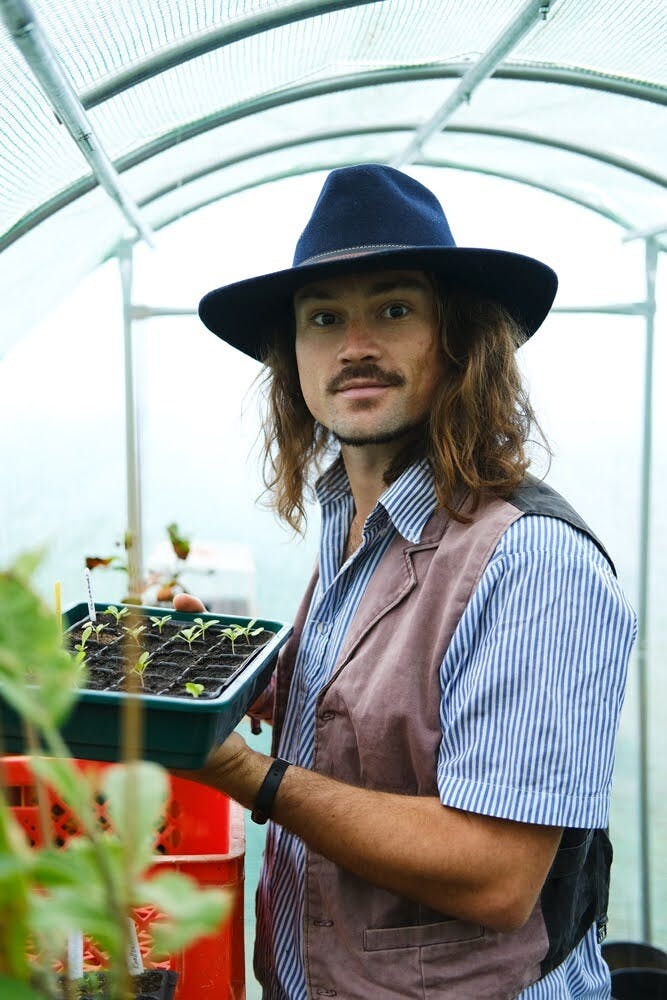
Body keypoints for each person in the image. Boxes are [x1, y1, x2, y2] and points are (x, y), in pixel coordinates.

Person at [178, 164, 636, 999]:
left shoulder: (531, 561)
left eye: (393, 309)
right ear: (294, 356)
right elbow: (403, 722)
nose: (355, 345)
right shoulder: (355, 519)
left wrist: (246, 773)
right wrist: (240, 684)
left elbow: (495, 875)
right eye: (323, 318)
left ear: (458, 339)